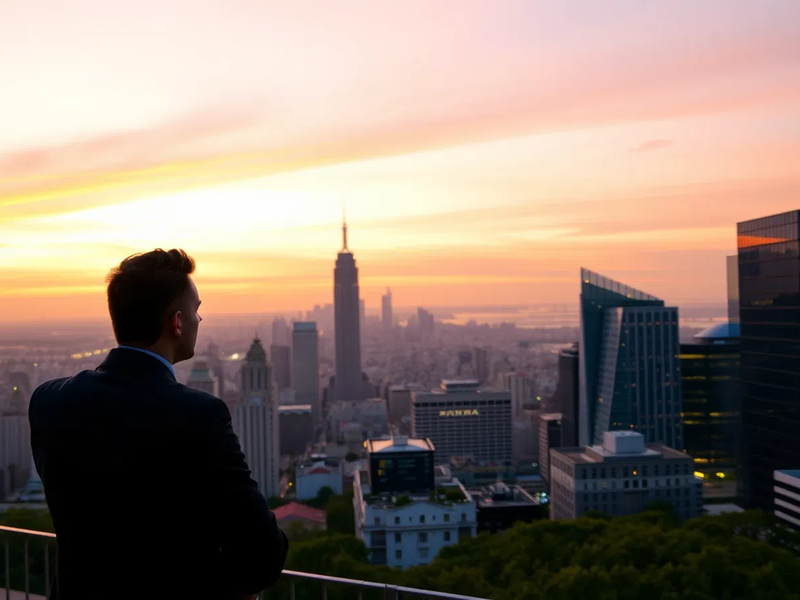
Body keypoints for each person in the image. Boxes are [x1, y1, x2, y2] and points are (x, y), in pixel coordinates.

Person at [29, 249, 288, 600]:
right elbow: (264, 554)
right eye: (197, 310)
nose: (200, 320)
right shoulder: (197, 415)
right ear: (177, 323)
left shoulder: (48, 401)